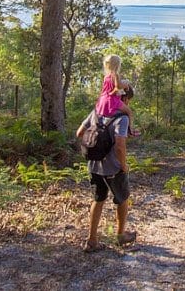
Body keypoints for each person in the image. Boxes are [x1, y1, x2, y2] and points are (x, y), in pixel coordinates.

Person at [77, 84, 138, 252]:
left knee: (98, 200)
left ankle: (92, 240)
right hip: (114, 168)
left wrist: (98, 146)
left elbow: (80, 133)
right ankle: (120, 235)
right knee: (122, 199)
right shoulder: (122, 118)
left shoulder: (97, 111)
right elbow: (120, 146)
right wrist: (124, 165)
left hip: (94, 165)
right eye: (128, 101)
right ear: (124, 99)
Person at [95, 54, 139, 136]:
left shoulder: (106, 77)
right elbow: (118, 86)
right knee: (129, 112)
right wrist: (126, 84)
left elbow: (111, 90)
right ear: (117, 65)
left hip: (104, 99)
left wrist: (117, 91)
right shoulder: (115, 75)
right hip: (112, 101)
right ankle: (130, 129)